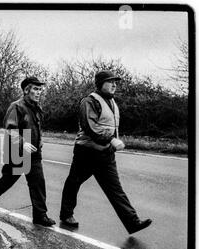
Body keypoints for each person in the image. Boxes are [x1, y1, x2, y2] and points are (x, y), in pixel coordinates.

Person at [59, 70, 152, 234]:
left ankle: (133, 223)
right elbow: (90, 127)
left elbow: (109, 126)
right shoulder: (89, 101)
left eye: (116, 82)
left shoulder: (112, 102)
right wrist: (111, 139)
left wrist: (111, 142)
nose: (114, 84)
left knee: (115, 189)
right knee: (74, 182)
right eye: (110, 81)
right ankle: (66, 215)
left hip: (105, 153)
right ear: (100, 84)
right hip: (86, 152)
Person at [0, 77, 55, 227]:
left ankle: (40, 215)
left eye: (40, 89)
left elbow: (37, 127)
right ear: (26, 90)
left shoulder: (36, 107)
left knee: (38, 182)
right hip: (16, 150)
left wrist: (39, 141)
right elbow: (10, 129)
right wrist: (24, 143)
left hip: (33, 152)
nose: (38, 92)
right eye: (35, 89)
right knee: (8, 179)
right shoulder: (16, 107)